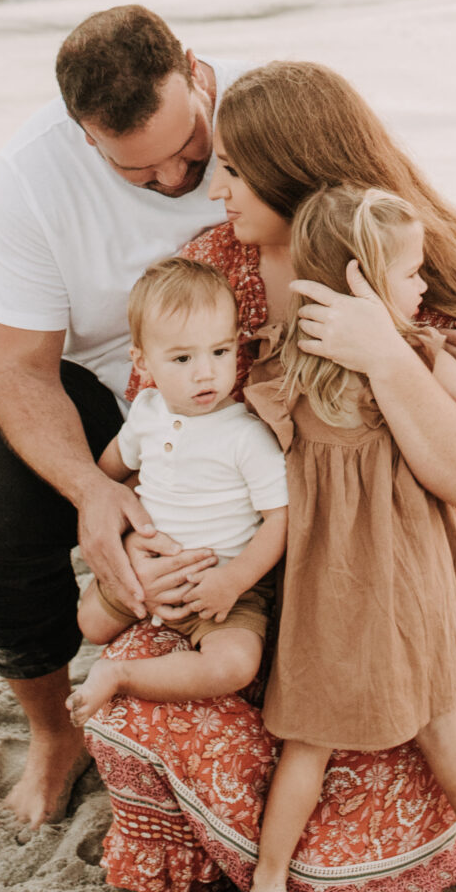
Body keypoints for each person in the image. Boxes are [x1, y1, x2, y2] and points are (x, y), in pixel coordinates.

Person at [0, 11, 456, 827]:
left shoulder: (277, 121)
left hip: (293, 427)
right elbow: (19, 368)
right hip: (124, 388)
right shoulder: (36, 178)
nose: (182, 182)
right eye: (143, 171)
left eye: (197, 154)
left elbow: (405, 238)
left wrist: (435, 338)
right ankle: (50, 733)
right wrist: (99, 497)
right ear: (86, 138)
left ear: (196, 74)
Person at [81, 60, 456, 892]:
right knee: (138, 699)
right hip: (256, 573)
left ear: (297, 181)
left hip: (390, 574)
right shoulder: (208, 278)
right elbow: (160, 438)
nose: (211, 192)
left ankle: (431, 849)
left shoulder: (403, 277)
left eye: (232, 170)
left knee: (398, 746)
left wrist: (385, 348)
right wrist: (141, 548)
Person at [233, 186, 456, 892]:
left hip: (326, 586)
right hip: (412, 574)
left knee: (309, 739)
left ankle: (269, 883)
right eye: (410, 274)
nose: (423, 288)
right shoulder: (416, 354)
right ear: (361, 281)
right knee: (439, 718)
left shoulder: (279, 374)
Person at [64, 255, 288, 726]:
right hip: (152, 569)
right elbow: (107, 477)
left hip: (222, 584)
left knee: (234, 665)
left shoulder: (246, 435)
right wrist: (128, 545)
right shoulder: (146, 413)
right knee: (90, 623)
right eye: (183, 358)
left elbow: (280, 519)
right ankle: (121, 643)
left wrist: (233, 582)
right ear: (143, 363)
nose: (205, 373)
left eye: (220, 352)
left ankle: (121, 676)